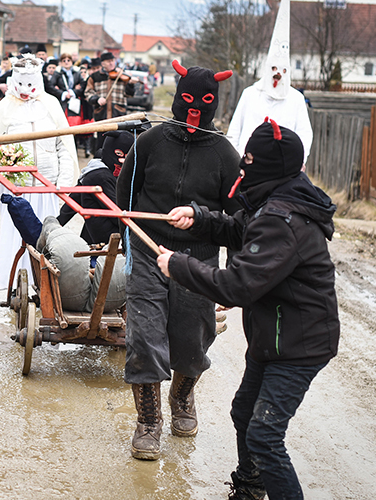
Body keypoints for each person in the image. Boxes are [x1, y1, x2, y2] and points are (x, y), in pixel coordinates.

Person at [157, 119, 339, 500]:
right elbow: (238, 229)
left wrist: (179, 266)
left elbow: (237, 285)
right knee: (244, 412)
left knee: (266, 435)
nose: (243, 167)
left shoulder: (283, 220)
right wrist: (200, 217)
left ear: (271, 166)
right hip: (271, 335)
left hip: (299, 344)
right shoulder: (272, 202)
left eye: (251, 160)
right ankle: (251, 489)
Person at [115, 60, 240, 461]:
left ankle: (182, 396)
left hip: (197, 260)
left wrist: (234, 275)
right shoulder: (150, 141)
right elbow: (125, 193)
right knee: (144, 336)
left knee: (192, 338)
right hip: (150, 252)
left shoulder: (225, 154)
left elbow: (238, 219)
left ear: (214, 104)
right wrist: (131, 241)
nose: (193, 110)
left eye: (202, 102)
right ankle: (148, 422)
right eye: (187, 99)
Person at [0, 55, 77, 290]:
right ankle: (18, 282)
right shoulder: (4, 107)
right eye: (21, 85)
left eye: (30, 85)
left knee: (48, 235)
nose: (25, 91)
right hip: (18, 187)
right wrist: (5, 171)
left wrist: (63, 183)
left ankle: (48, 283)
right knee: (18, 235)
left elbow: (63, 145)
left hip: (48, 186)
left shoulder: (51, 105)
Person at [226, 0, 313, 163]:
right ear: (267, 69)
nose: (278, 74)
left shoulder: (296, 100)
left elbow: (304, 134)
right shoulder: (250, 94)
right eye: (274, 69)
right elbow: (234, 130)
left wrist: (299, 162)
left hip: (282, 168)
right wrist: (236, 160)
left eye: (283, 71)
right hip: (248, 166)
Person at [57, 130, 138, 245]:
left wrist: (59, 221)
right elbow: (117, 215)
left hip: (93, 236)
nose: (122, 160)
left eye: (128, 156)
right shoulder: (101, 177)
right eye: (119, 154)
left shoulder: (96, 171)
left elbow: (75, 198)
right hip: (106, 240)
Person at [85, 52, 135, 122]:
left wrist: (130, 84)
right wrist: (97, 99)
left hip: (119, 115)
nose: (111, 63)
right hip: (101, 115)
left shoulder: (122, 75)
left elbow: (129, 95)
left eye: (113, 61)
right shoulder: (94, 77)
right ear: (102, 64)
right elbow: (88, 93)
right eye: (108, 61)